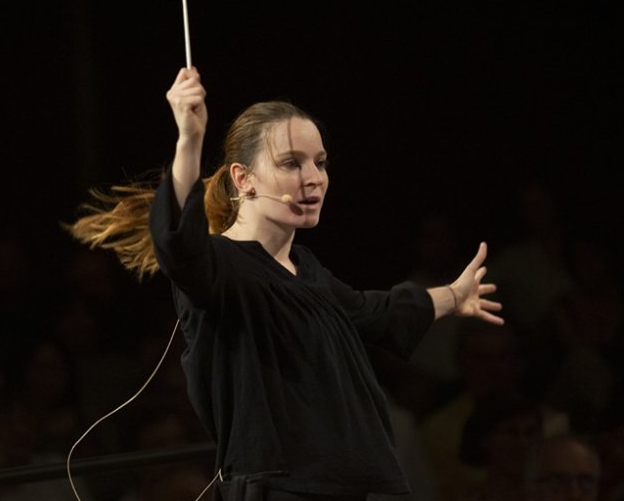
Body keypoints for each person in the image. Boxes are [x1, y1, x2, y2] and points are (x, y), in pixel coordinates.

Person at [68, 66, 504, 501]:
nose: (313, 178)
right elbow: (180, 244)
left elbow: (370, 312)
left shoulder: (305, 267)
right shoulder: (222, 265)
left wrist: (452, 295)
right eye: (291, 163)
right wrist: (190, 140)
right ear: (244, 179)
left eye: (320, 162)